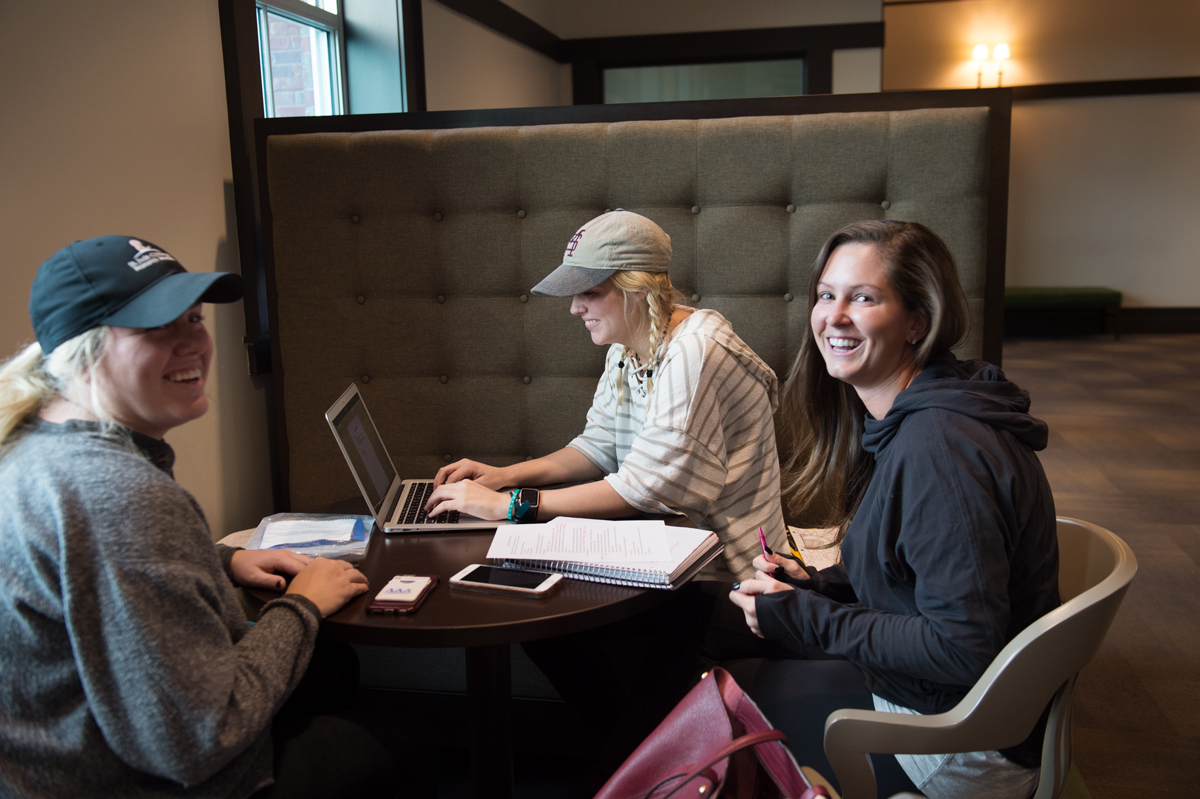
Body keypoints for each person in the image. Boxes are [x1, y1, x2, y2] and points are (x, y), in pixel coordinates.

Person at [0, 236, 425, 799]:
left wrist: (224, 559)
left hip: (46, 756)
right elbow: (198, 738)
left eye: (194, 319)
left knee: (333, 670)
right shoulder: (119, 494)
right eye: (155, 328)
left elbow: (91, 565)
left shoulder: (33, 442)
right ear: (83, 352)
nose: (192, 344)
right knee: (405, 739)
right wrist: (304, 605)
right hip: (128, 779)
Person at [726, 220, 1060, 799]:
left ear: (917, 322)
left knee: (725, 697)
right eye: (827, 295)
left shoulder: (940, 449)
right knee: (729, 646)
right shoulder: (924, 412)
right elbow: (918, 573)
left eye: (864, 297)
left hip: (964, 743)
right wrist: (821, 587)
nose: (834, 315)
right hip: (955, 705)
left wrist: (806, 615)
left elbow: (961, 646)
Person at [425, 209, 785, 579]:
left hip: (730, 578)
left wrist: (512, 504)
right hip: (672, 552)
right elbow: (599, 446)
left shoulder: (695, 351)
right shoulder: (628, 344)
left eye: (590, 293)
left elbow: (647, 487)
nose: (574, 307)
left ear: (639, 291)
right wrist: (503, 476)